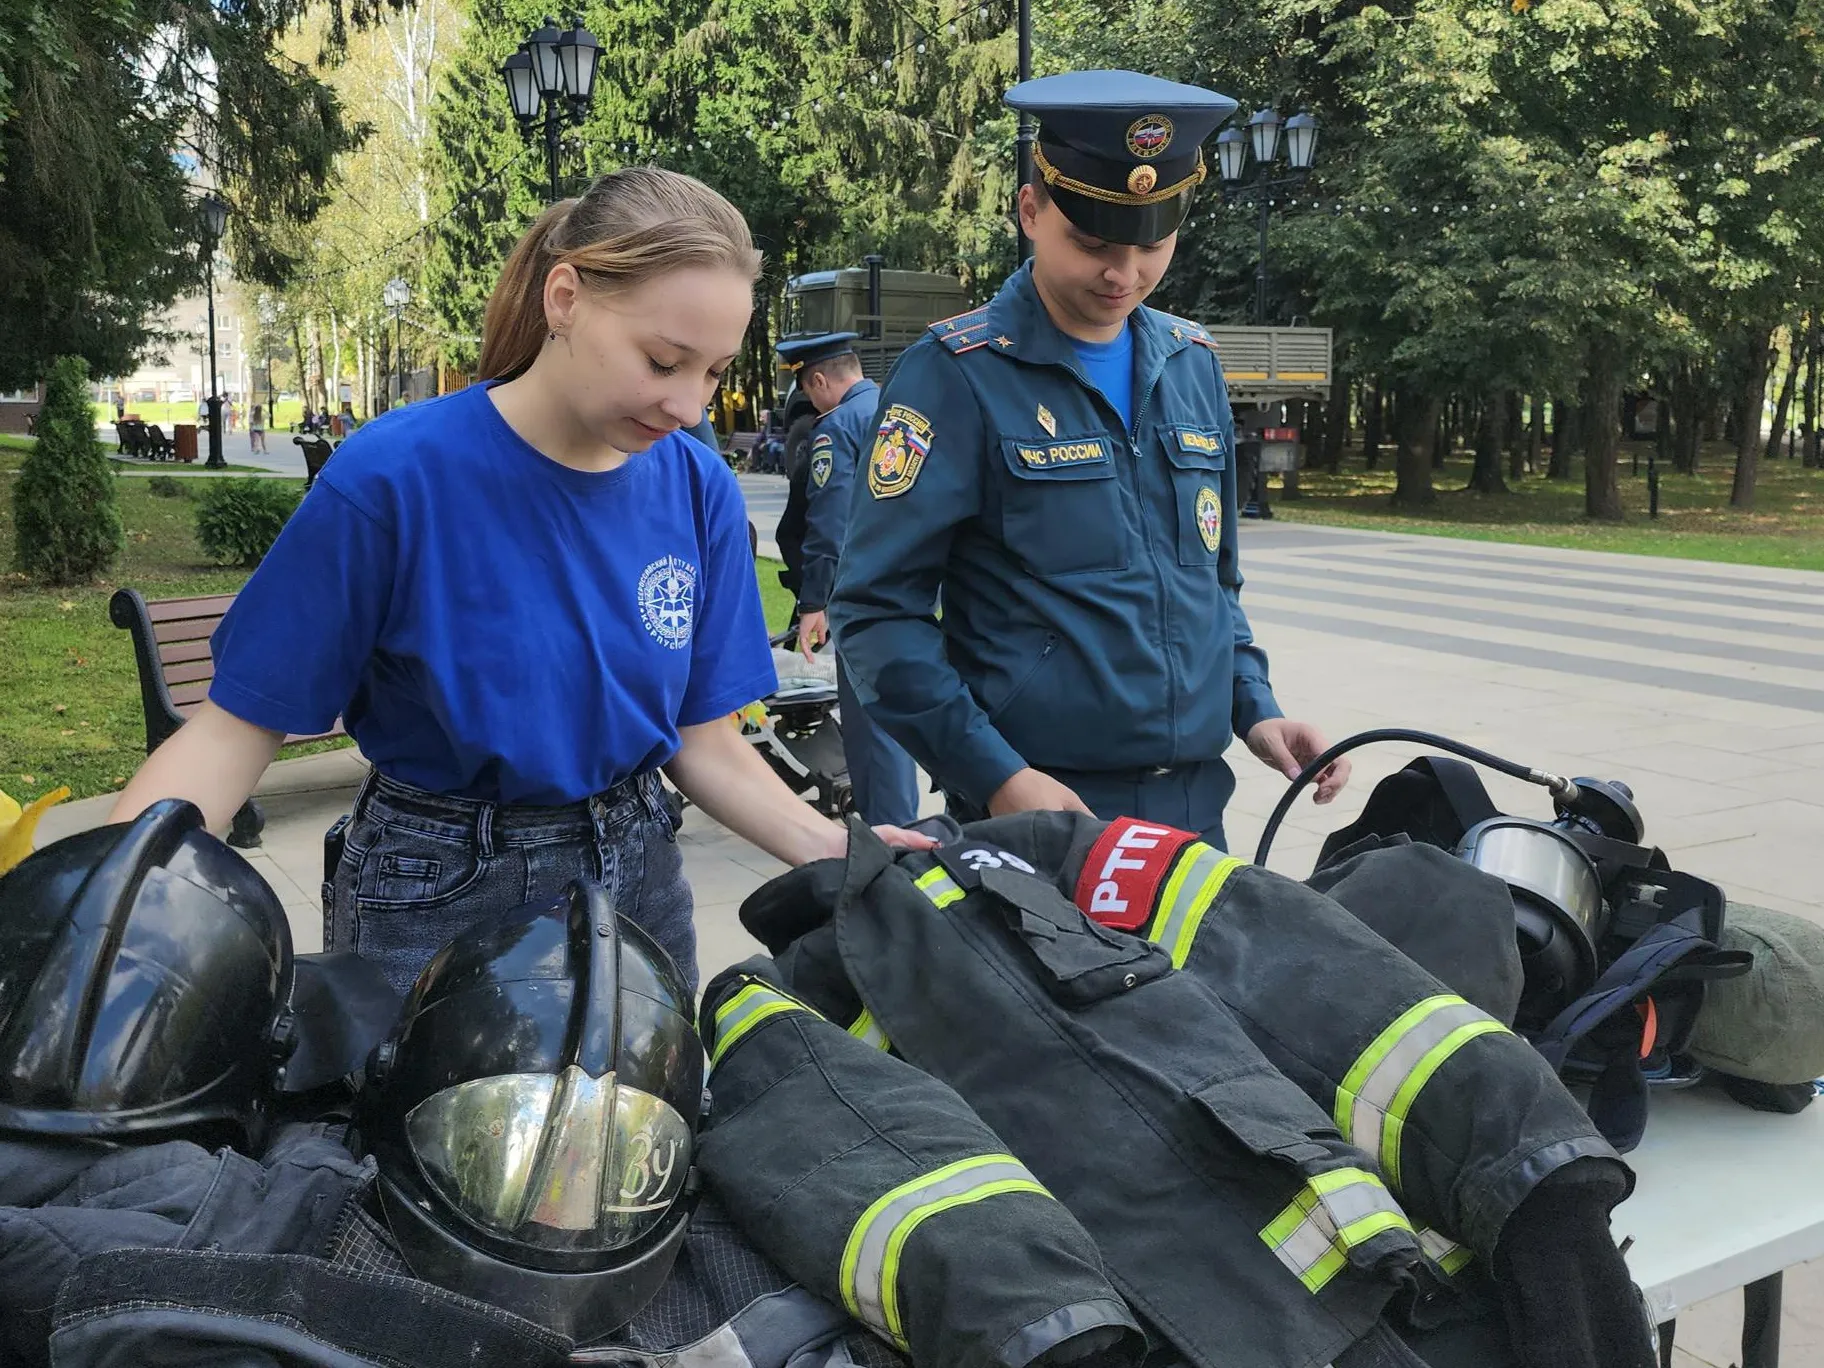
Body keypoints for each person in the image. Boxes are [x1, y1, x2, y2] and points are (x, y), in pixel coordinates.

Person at [108, 166, 931, 998]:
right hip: (435, 892)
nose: (689, 406)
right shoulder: (395, 479)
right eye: (662, 361)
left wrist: (839, 848)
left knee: (649, 1129)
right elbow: (230, 736)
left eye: (714, 373)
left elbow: (704, 741)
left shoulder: (697, 487)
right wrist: (97, 910)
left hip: (638, 879)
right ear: (565, 299)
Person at [827, 71, 1349, 850]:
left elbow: (1210, 586)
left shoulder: (1191, 362)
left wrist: (1255, 706)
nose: (1123, 274)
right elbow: (876, 614)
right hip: (1042, 811)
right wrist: (996, 775)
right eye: (1094, 242)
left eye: (1152, 245)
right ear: (1031, 211)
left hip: (1196, 812)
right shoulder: (957, 373)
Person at [777, 332, 919, 827]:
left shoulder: (837, 428)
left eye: (808, 390)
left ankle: (890, 840)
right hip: (914, 592)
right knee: (898, 718)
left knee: (872, 729)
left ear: (818, 379)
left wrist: (814, 600)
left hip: (864, 596)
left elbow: (831, 522)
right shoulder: (899, 412)